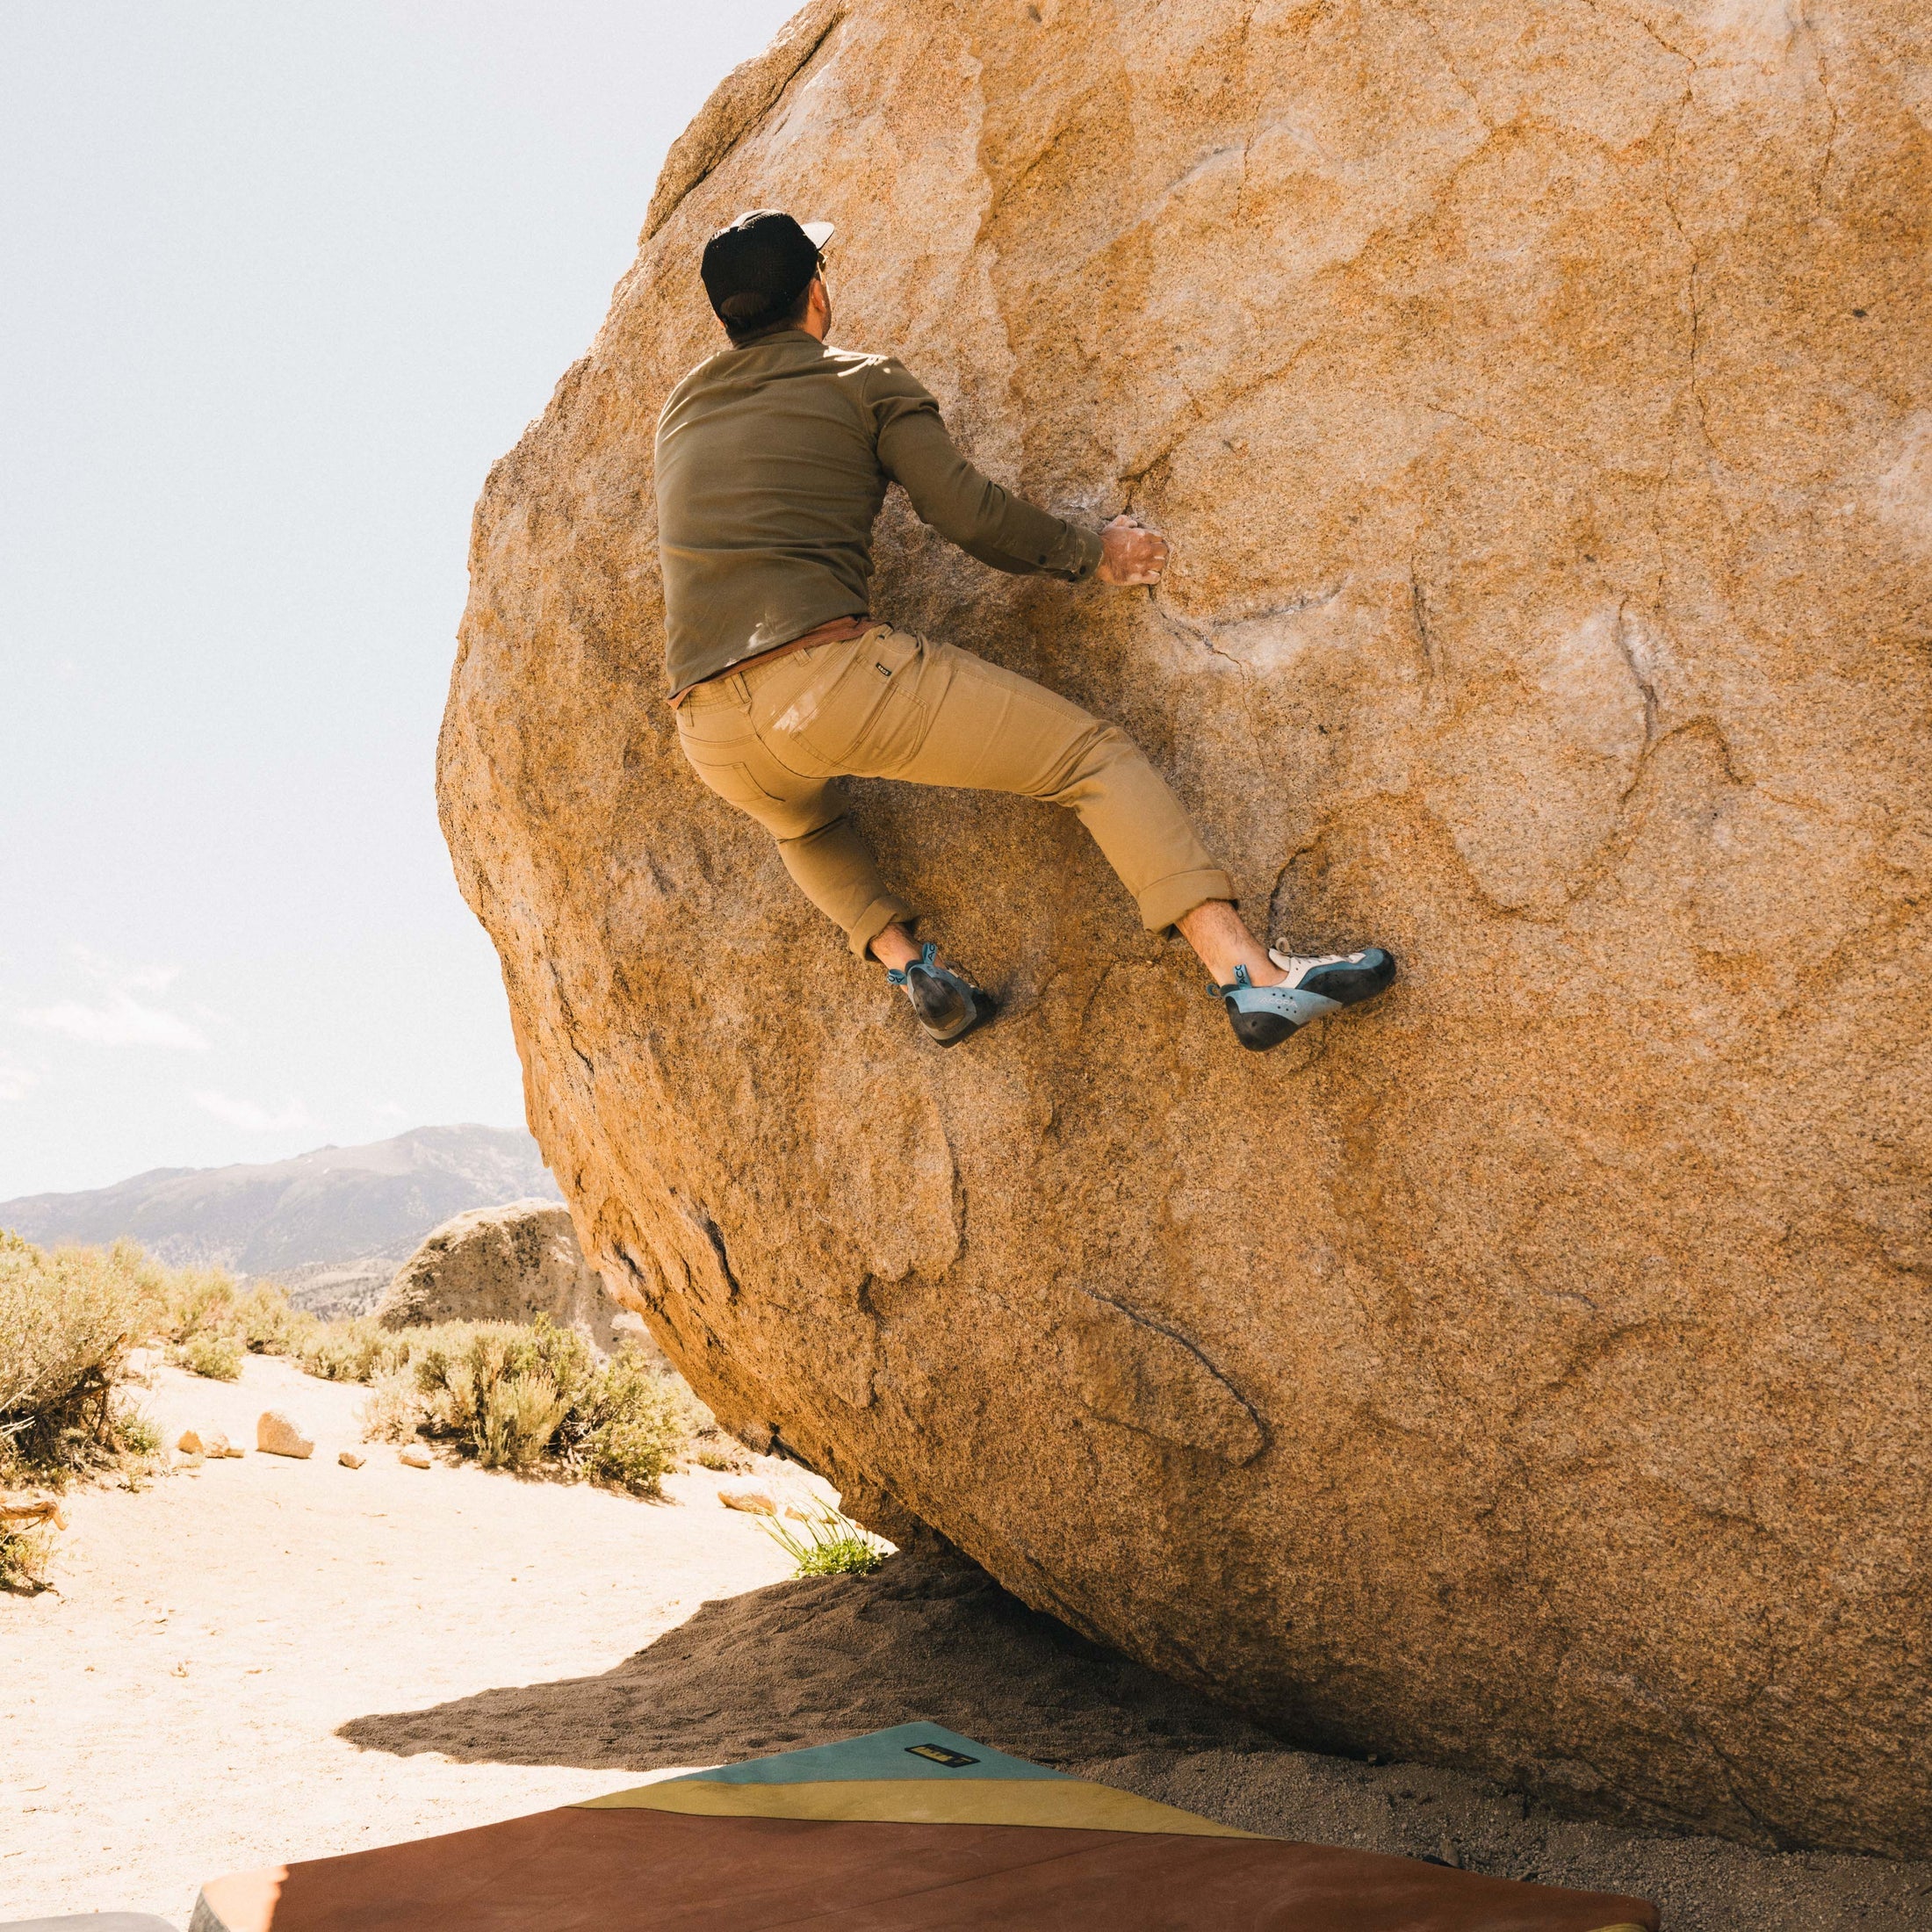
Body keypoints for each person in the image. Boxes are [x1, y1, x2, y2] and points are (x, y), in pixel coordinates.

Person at [655, 209, 1395, 1051]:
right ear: (816, 293)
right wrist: (1096, 555)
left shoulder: (679, 411)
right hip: (825, 680)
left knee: (806, 825)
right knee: (1093, 759)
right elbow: (967, 515)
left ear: (728, 316)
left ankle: (913, 972)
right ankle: (1251, 978)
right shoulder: (860, 379)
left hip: (709, 731)